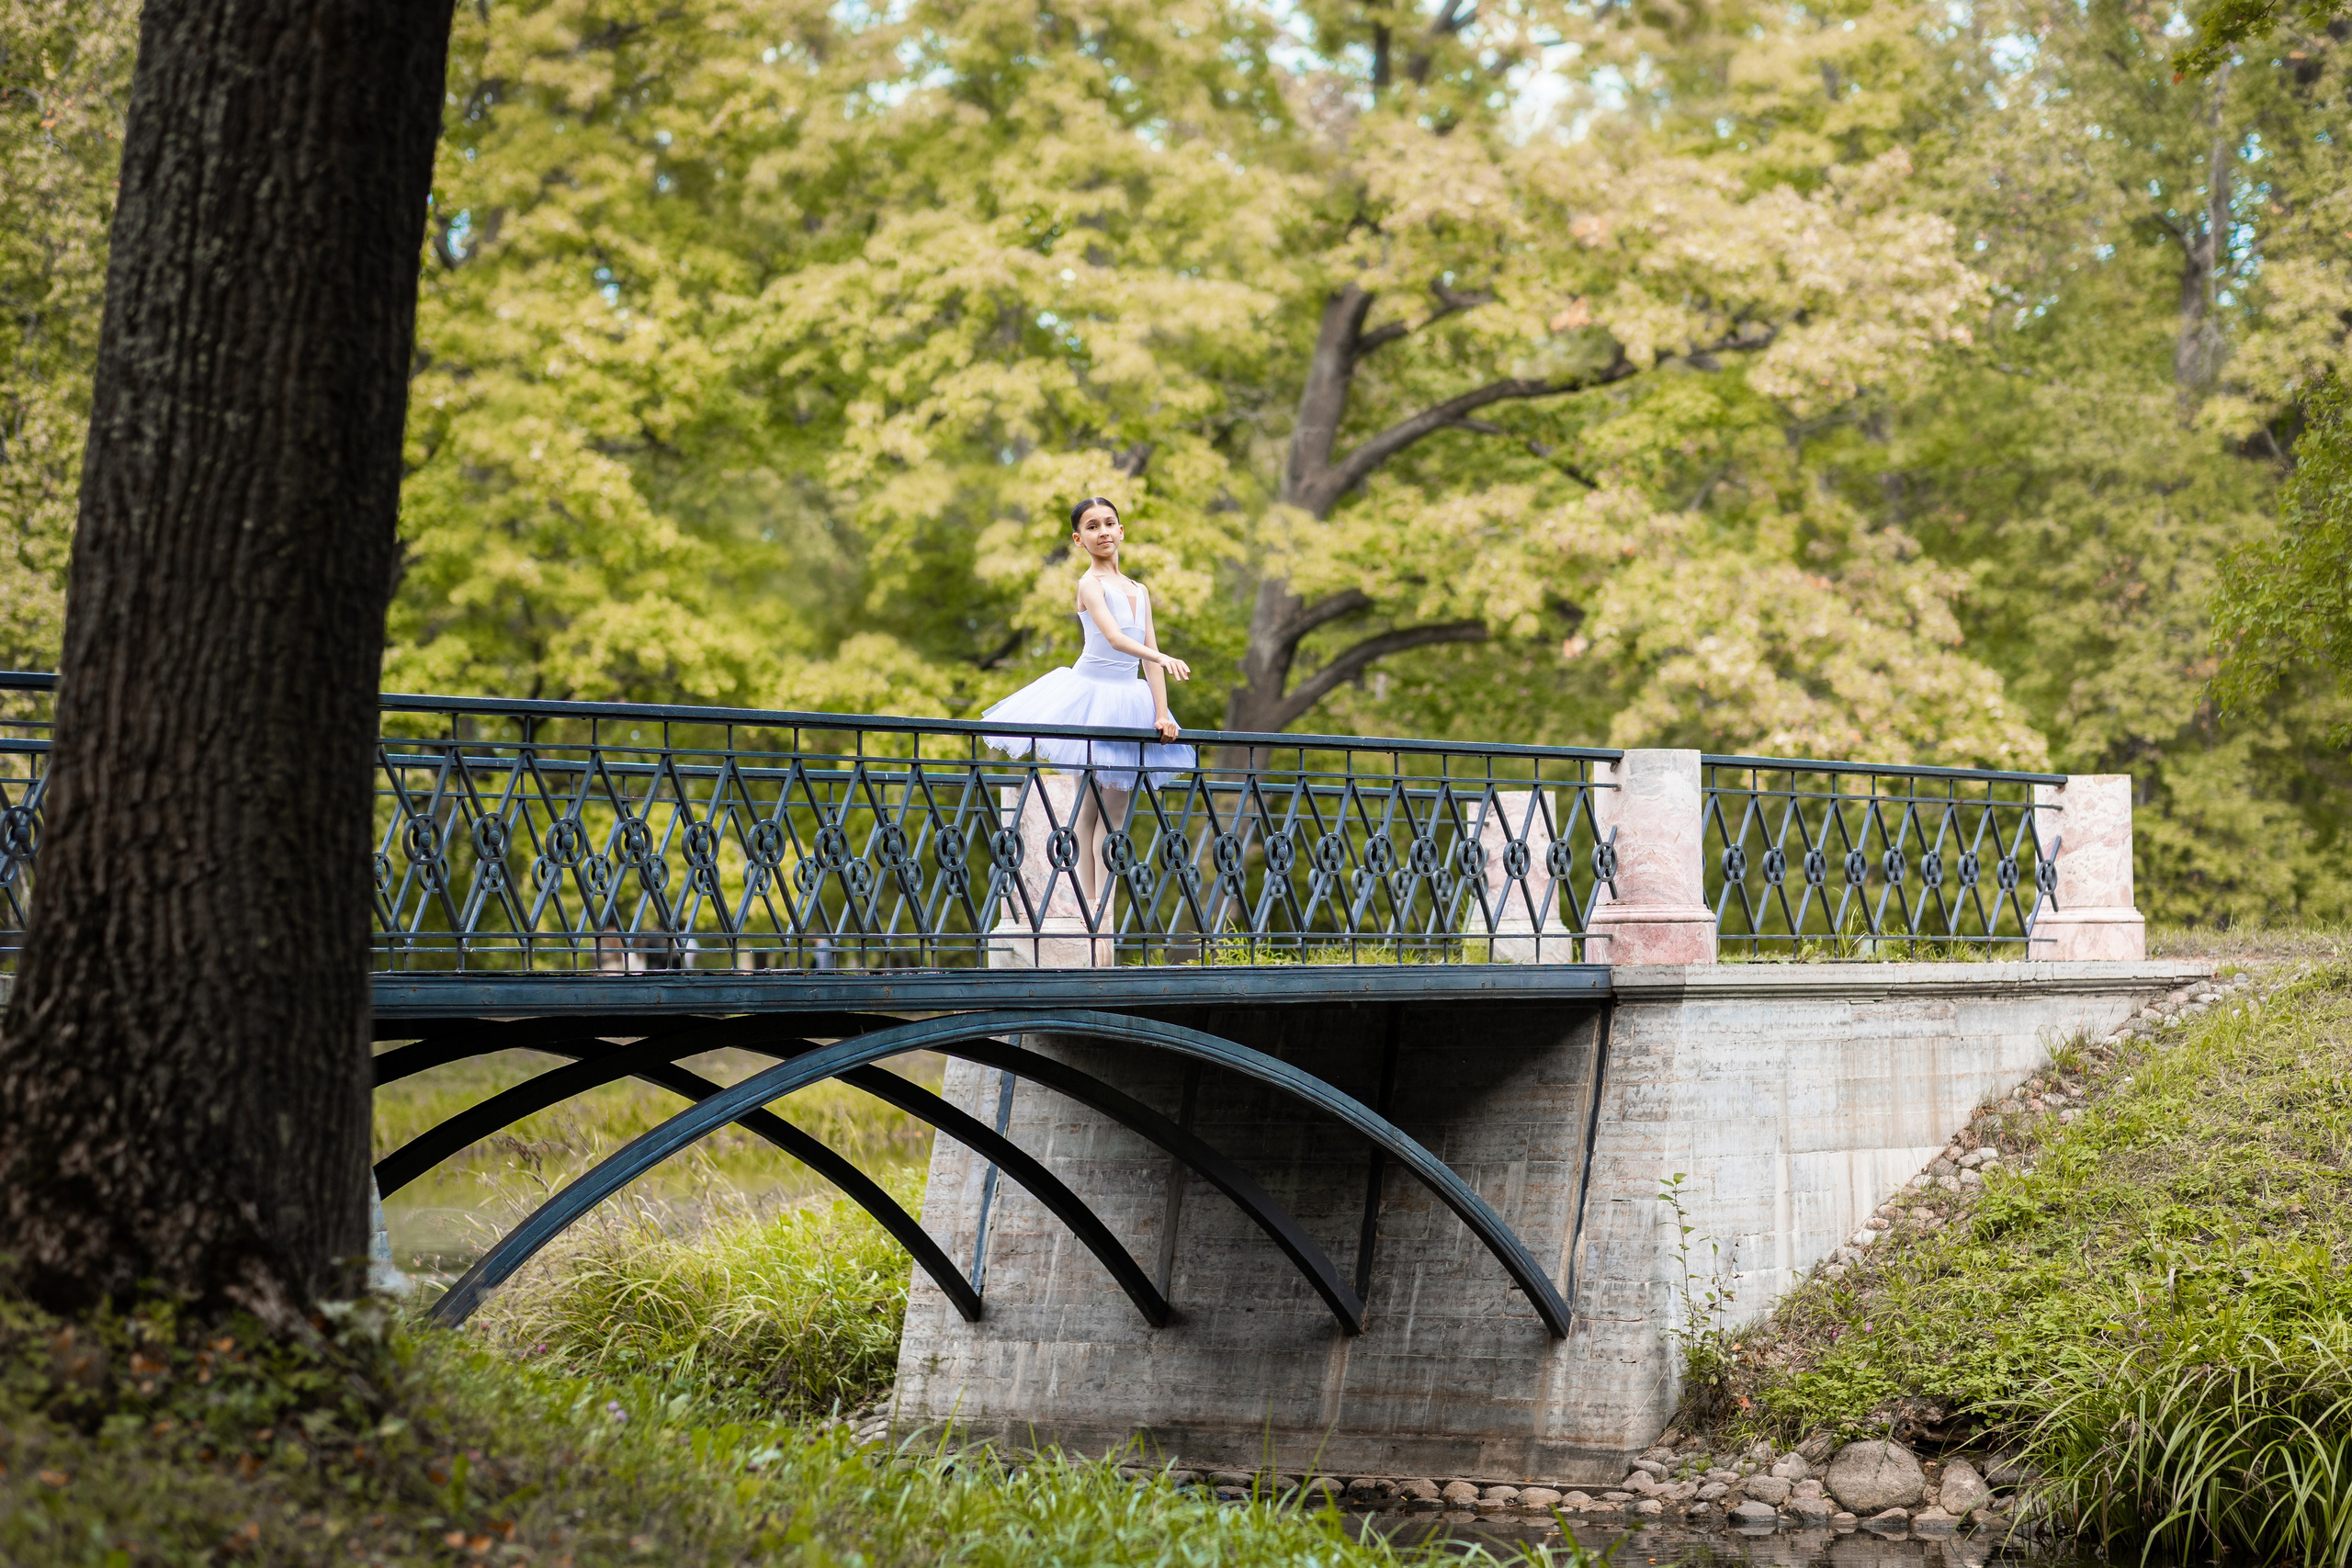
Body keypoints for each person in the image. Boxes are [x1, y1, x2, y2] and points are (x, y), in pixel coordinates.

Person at [982, 496, 1194, 919]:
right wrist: (1161, 657)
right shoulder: (1089, 584)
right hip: (1090, 697)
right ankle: (1085, 905)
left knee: (1115, 817)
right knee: (1089, 807)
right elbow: (1116, 640)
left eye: (1109, 523)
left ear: (1121, 531)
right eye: (1092, 526)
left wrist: (1161, 712)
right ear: (1079, 539)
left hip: (1129, 699)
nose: (1103, 532)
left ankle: (1102, 910)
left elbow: (1147, 652)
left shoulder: (1139, 589)